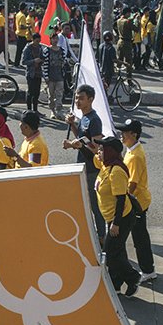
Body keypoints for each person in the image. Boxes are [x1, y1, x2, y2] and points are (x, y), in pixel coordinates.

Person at [92, 136, 141, 296]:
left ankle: (133, 277)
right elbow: (91, 156)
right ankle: (116, 283)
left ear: (110, 152)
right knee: (118, 251)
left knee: (109, 253)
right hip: (110, 217)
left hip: (121, 218)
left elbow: (120, 199)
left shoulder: (116, 171)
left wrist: (116, 224)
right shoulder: (106, 165)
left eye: (101, 149)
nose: (99, 152)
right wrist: (81, 146)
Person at [115, 118, 156, 282]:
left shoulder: (135, 156)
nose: (122, 135)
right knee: (140, 236)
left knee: (140, 238)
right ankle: (148, 268)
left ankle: (148, 270)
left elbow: (132, 183)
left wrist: (124, 201)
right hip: (138, 201)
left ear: (134, 134)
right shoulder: (132, 151)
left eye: (124, 133)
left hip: (137, 203)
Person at [64, 85, 106, 241]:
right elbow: (82, 137)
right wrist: (73, 125)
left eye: (81, 98)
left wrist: (78, 145)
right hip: (82, 166)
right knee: (85, 204)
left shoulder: (94, 120)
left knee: (95, 205)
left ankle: (102, 237)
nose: (77, 101)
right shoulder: (83, 118)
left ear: (91, 99)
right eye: (76, 98)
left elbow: (96, 148)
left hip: (92, 169)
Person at [43, 31, 67, 119]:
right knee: (51, 95)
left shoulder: (62, 50)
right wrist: (46, 76)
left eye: (56, 38)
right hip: (50, 76)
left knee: (59, 94)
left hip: (59, 76)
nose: (55, 40)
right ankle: (52, 111)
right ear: (50, 40)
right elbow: (45, 64)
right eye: (53, 38)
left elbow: (64, 62)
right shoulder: (47, 50)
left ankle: (59, 110)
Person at [22, 32, 44, 112]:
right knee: (30, 92)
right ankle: (29, 110)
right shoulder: (28, 49)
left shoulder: (40, 48)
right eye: (37, 41)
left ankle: (35, 110)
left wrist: (41, 60)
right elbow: (24, 62)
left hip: (38, 73)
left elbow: (43, 58)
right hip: (31, 73)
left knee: (37, 93)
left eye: (39, 41)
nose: (38, 43)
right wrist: (33, 61)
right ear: (33, 40)